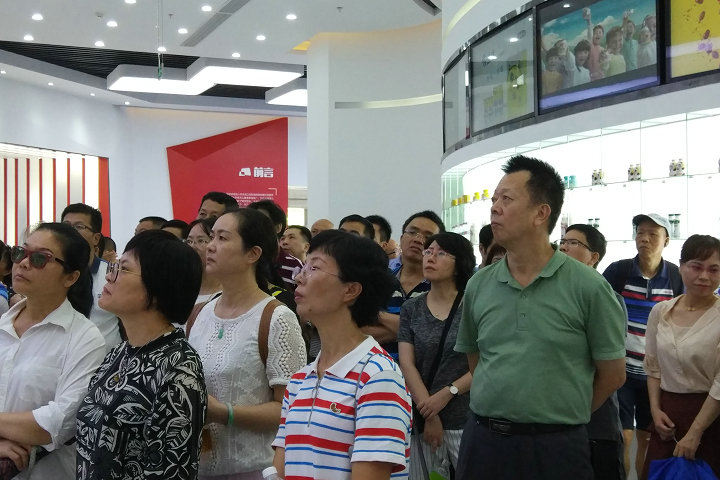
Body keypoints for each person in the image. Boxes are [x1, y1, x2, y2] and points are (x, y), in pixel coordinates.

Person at [454, 155, 626, 479]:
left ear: (541, 213)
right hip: (484, 441)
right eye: (494, 200)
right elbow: (476, 361)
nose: (495, 208)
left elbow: (613, 374)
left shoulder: (588, 287)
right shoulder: (479, 284)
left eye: (507, 199)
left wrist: (561, 416)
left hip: (557, 447)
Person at [272, 230, 411, 479]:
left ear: (351, 290)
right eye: (304, 267)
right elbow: (281, 471)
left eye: (314, 268)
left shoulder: (379, 377)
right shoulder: (300, 380)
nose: (299, 277)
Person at [75, 229, 207, 480]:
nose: (109, 276)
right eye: (115, 266)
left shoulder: (178, 367)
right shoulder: (119, 353)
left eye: (124, 269)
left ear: (159, 287)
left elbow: (173, 470)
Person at [188, 208, 307, 479]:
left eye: (222, 238)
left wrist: (225, 413)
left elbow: (291, 407)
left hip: (255, 469)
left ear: (253, 254)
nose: (210, 246)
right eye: (211, 237)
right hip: (197, 468)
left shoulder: (276, 317)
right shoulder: (200, 313)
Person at [0, 223, 105, 479]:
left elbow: (58, 422)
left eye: (40, 258)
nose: (24, 263)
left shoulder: (85, 337)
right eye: (20, 253)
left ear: (70, 277)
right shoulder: (3, 324)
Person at [603, 213, 683, 479]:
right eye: (640, 232)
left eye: (652, 234)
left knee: (647, 439)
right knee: (623, 436)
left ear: (666, 240)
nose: (644, 239)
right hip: (621, 370)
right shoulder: (618, 271)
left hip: (656, 375)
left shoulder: (675, 276)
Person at [640, 234, 720, 479]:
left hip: (710, 416)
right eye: (696, 267)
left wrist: (695, 432)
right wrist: (655, 410)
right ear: (681, 266)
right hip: (668, 415)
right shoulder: (661, 311)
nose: (704, 276)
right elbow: (653, 367)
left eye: (714, 269)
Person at [398, 232, 475, 479]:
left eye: (441, 253)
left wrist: (447, 393)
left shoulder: (472, 305)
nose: (430, 258)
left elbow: (484, 363)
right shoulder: (411, 308)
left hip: (464, 419)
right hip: (421, 420)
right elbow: (406, 363)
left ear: (459, 264)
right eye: (428, 251)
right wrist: (429, 413)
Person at [559, 224, 627, 480]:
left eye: (574, 243)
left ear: (594, 257)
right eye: (563, 241)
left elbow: (612, 374)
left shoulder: (606, 297)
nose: (564, 247)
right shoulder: (555, 296)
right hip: (557, 424)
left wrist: (580, 413)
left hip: (595, 424)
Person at [365, 211, 445, 360]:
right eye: (412, 232)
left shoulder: (441, 287)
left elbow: (437, 335)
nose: (418, 239)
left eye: (427, 236)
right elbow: (360, 331)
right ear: (401, 238)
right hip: (376, 369)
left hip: (422, 373)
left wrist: (378, 316)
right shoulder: (378, 280)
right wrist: (414, 332)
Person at [62, 203, 122, 350]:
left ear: (96, 238)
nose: (70, 231)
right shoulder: (50, 272)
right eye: (65, 226)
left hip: (104, 359)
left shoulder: (113, 274)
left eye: (79, 226)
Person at [248, 199, 303, 290]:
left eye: (260, 222)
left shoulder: (295, 266)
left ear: (278, 227)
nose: (254, 228)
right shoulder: (243, 262)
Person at [185, 218, 222, 304]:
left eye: (201, 241)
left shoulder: (228, 293)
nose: (192, 246)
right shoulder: (181, 287)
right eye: (189, 241)